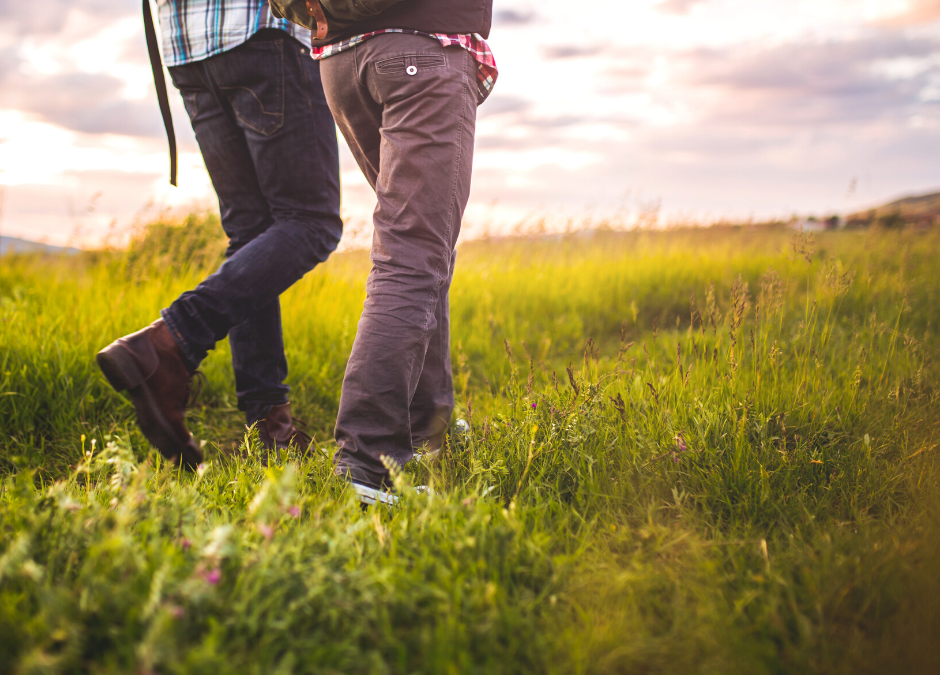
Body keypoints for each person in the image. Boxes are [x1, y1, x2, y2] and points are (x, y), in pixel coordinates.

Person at [96, 1, 343, 468]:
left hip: (187, 46)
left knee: (250, 233)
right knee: (312, 222)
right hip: (261, 30)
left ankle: (269, 426)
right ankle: (171, 341)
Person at [273, 0, 497, 503]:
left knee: (421, 249)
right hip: (422, 51)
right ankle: (366, 463)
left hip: (342, 63)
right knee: (413, 256)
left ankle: (428, 429)